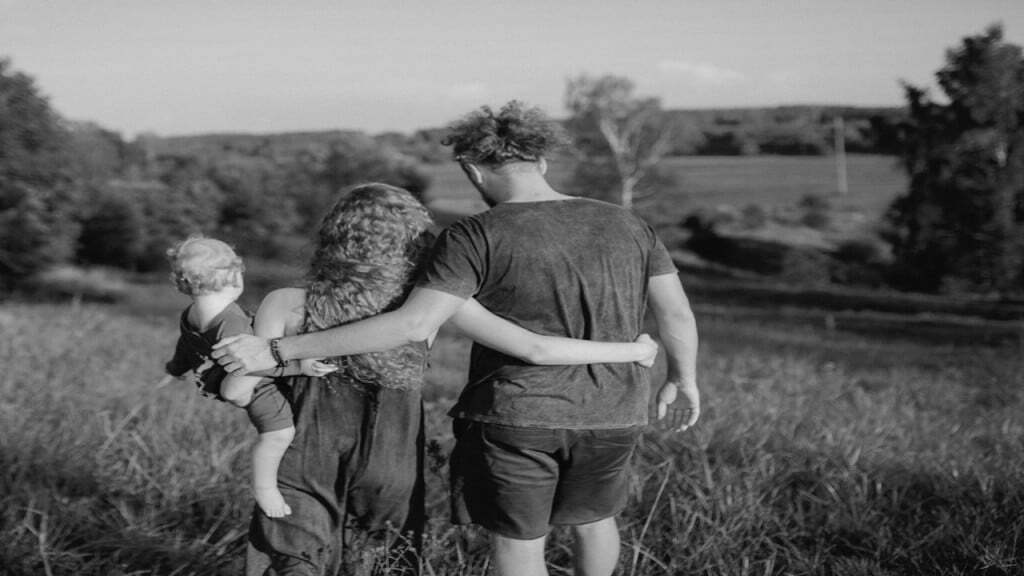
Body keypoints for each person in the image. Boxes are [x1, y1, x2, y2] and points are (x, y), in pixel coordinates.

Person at [214, 102, 700, 576]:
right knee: (596, 522)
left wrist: (279, 350)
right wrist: (681, 376)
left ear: (471, 168)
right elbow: (675, 310)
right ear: (543, 160)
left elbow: (414, 324)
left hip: (518, 413)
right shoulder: (628, 222)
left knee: (519, 539)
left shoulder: (473, 236)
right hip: (616, 409)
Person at [164, 236, 297, 519]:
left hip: (221, 378)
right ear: (234, 276)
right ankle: (265, 488)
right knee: (278, 435)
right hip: (257, 387)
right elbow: (250, 364)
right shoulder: (232, 321)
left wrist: (175, 368)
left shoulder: (190, 314)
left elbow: (185, 346)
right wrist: (297, 366)